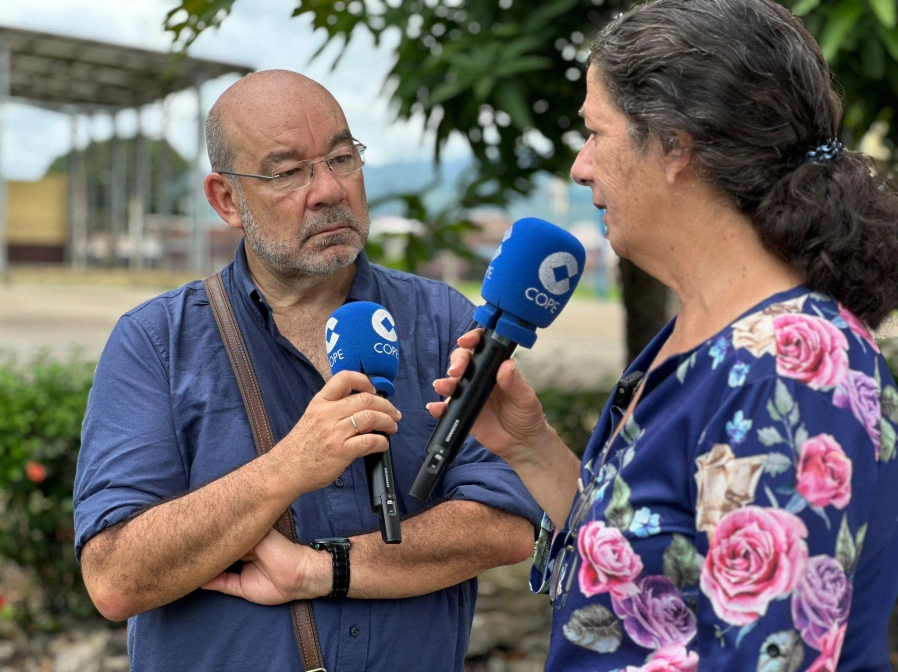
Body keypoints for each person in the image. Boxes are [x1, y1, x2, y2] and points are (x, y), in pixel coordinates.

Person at [430, 1, 898, 670]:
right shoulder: (702, 329)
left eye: (597, 132)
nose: (580, 167)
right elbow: (648, 572)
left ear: (676, 145)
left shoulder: (793, 366)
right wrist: (531, 449)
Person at [73, 70, 540, 671]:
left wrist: (324, 570)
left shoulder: (443, 318)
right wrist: (289, 466)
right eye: (287, 171)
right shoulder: (156, 342)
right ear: (225, 200)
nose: (328, 190)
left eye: (342, 157)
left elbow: (507, 524)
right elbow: (115, 577)